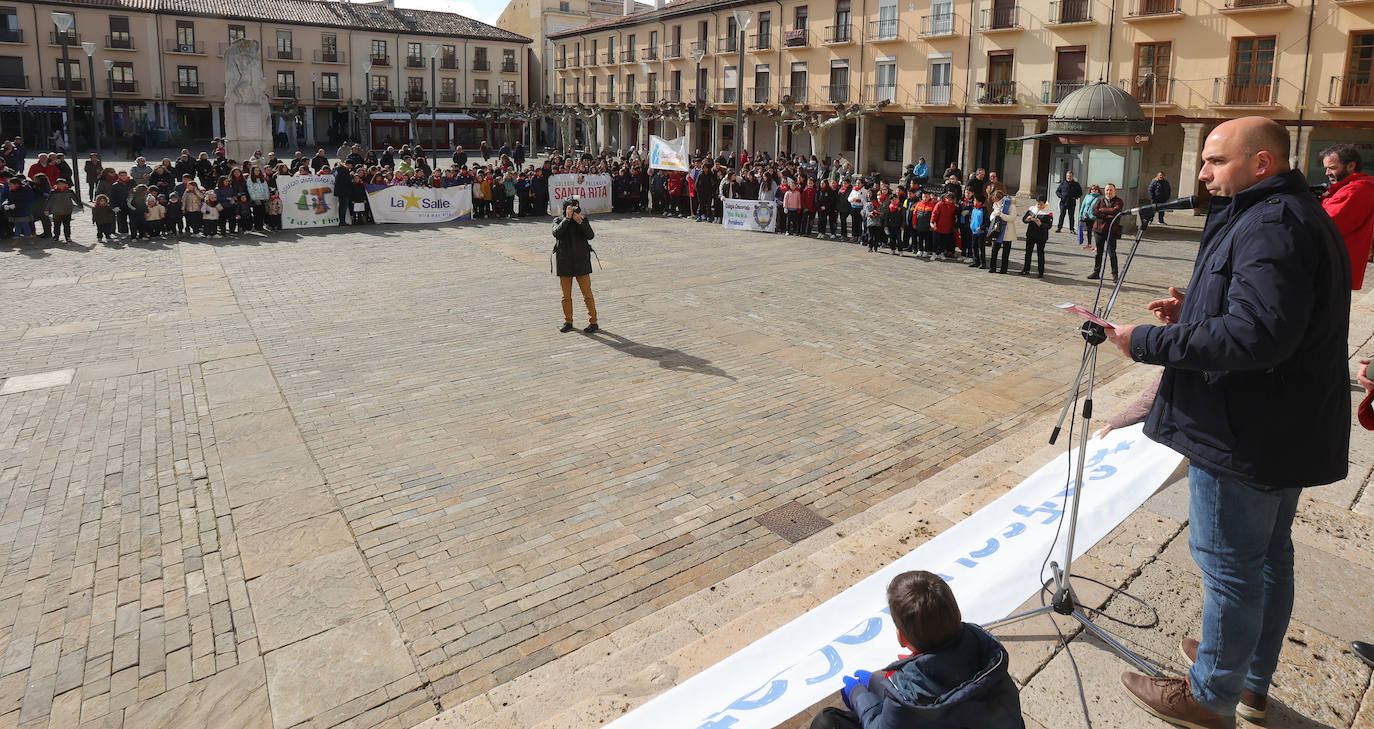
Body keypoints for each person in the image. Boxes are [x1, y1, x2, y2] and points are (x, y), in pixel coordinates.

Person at [1104, 116, 1350, 729]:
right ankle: (1247, 678)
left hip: (1243, 429)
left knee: (1231, 569)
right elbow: (1276, 316)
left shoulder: (1270, 223)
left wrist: (1151, 341)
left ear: (1261, 163)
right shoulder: (1286, 212)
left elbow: (1256, 337)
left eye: (1215, 160)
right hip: (1279, 425)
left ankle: (1209, 695)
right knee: (1267, 558)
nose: (1203, 172)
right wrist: (1197, 309)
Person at [808, 570, 1023, 729]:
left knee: (827, 722)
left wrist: (859, 697)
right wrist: (883, 685)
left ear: (902, 638)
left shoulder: (905, 702)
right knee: (876, 686)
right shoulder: (988, 653)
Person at [1319, 143, 1374, 290]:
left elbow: (1327, 225)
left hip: (1335, 266)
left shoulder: (1355, 190)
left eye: (1332, 168)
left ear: (1351, 166)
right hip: (1337, 265)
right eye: (1326, 168)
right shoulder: (1352, 188)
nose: (1327, 173)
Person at [552, 197, 598, 333]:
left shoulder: (582, 219)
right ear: (566, 209)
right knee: (566, 296)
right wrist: (567, 219)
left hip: (581, 261)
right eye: (572, 208)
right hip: (564, 262)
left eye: (577, 207)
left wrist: (581, 222)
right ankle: (568, 321)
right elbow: (556, 233)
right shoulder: (558, 220)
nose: (576, 210)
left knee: (587, 294)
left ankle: (594, 322)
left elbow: (590, 235)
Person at [1089, 183, 1124, 280]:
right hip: (1099, 230)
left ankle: (1115, 274)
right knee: (1098, 253)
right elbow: (1094, 211)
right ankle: (1096, 272)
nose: (1108, 192)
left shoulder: (1119, 201)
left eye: (1111, 190)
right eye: (1107, 190)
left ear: (1114, 191)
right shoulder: (1100, 200)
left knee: (1112, 253)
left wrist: (1103, 211)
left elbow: (1116, 211)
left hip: (1111, 231)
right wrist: (1107, 214)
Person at [1019, 195, 1053, 277]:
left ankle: (1041, 272)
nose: (1039, 206)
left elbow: (1049, 226)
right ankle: (1026, 269)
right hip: (1031, 234)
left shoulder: (1048, 212)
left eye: (1041, 204)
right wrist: (1027, 220)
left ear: (1044, 204)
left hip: (1041, 236)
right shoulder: (1032, 209)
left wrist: (1041, 224)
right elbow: (1024, 219)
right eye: (1038, 204)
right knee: (1028, 253)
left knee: (1040, 254)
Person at [987, 193, 1018, 274]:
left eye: (994, 199)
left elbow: (1013, 217)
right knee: (994, 250)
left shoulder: (1010, 204)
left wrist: (1002, 215)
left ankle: (1004, 269)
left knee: (1006, 252)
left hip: (1007, 231)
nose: (994, 201)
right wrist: (995, 217)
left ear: (998, 198)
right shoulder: (996, 204)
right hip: (997, 231)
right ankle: (992, 267)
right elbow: (991, 216)